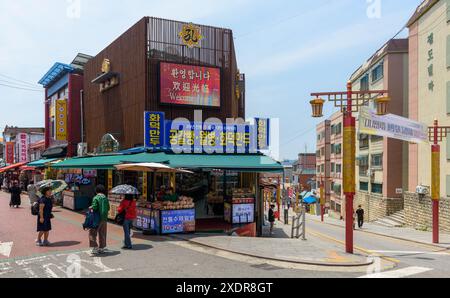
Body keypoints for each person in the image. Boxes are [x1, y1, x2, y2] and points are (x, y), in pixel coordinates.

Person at [89, 185, 110, 256]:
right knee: (102, 233)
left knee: (92, 233)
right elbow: (108, 208)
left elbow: (94, 207)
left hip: (96, 219)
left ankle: (95, 247)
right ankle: (102, 248)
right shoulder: (105, 198)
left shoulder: (96, 197)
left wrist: (91, 207)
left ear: (96, 190)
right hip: (104, 219)